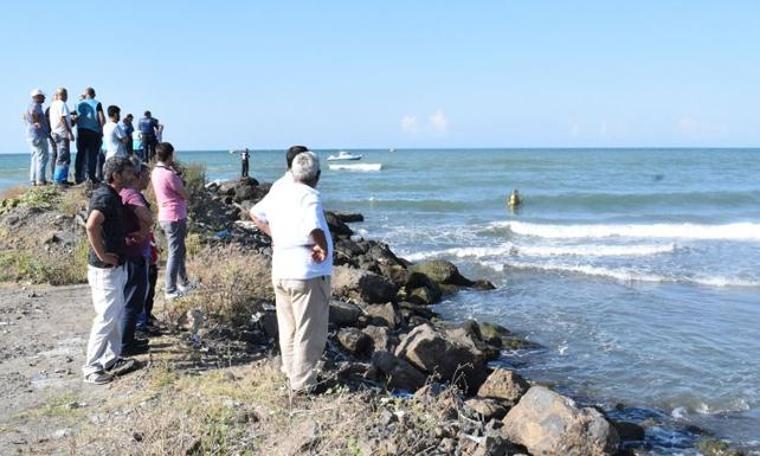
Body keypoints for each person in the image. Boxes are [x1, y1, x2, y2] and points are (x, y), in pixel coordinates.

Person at [250, 150, 333, 394]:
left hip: (282, 268)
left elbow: (255, 213)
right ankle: (303, 384)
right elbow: (313, 225)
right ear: (317, 176)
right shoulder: (310, 196)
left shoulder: (279, 190)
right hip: (306, 272)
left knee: (289, 327)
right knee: (310, 330)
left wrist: (275, 234)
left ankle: (291, 373)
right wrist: (323, 247)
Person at [82, 156, 138, 385]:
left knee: (114, 313)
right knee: (106, 317)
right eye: (127, 172)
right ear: (115, 175)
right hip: (105, 268)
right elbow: (91, 224)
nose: (132, 175)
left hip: (114, 265)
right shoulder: (105, 196)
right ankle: (91, 368)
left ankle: (111, 359)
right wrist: (103, 254)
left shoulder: (112, 195)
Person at [120, 160, 153, 356]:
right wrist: (145, 228)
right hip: (135, 253)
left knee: (132, 300)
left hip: (133, 251)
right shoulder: (133, 194)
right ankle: (126, 345)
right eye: (146, 176)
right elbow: (146, 216)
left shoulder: (123, 193)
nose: (149, 179)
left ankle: (129, 340)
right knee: (133, 301)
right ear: (137, 176)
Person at [151, 142, 192, 299]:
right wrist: (176, 175)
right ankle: (170, 288)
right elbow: (184, 193)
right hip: (174, 215)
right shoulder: (169, 175)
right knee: (175, 251)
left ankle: (183, 282)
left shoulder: (156, 172)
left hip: (166, 214)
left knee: (179, 250)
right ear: (170, 155)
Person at [74, 87, 105, 184]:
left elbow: (75, 116)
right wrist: (103, 129)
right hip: (94, 131)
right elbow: (101, 118)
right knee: (92, 154)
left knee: (80, 154)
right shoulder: (97, 103)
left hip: (81, 130)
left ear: (85, 94)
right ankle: (91, 176)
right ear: (94, 94)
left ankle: (78, 176)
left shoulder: (78, 104)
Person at [24, 89, 50, 186]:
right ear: (37, 96)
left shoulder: (29, 105)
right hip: (38, 135)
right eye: (42, 96)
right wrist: (36, 122)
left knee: (35, 157)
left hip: (31, 135)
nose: (44, 98)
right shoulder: (35, 105)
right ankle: (40, 180)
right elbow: (34, 112)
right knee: (42, 157)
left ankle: (33, 179)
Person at [49, 88, 75, 184]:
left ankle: (63, 179)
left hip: (56, 132)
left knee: (65, 157)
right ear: (63, 95)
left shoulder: (53, 104)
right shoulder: (61, 104)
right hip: (61, 133)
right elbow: (62, 118)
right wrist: (69, 132)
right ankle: (58, 180)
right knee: (62, 156)